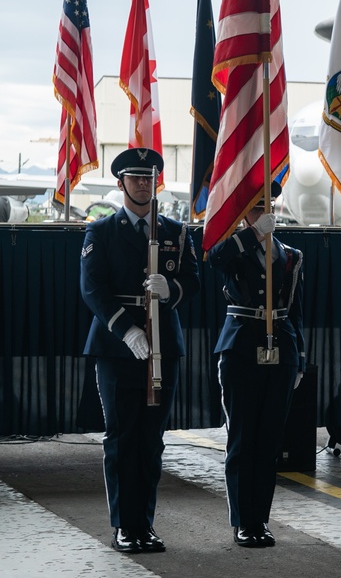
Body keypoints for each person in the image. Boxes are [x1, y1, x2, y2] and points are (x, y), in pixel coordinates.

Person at [79, 148, 200, 553]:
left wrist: (173, 290)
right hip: (118, 348)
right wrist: (127, 330)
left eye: (149, 178)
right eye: (135, 178)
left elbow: (193, 281)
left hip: (163, 346)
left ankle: (144, 524)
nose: (143, 184)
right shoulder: (101, 232)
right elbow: (92, 289)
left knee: (151, 440)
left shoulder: (175, 232)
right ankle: (123, 526)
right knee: (122, 437)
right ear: (121, 184)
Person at [208, 182, 305, 548]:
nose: (265, 214)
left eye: (269, 208)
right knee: (243, 437)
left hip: (281, 350)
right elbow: (215, 257)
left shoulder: (291, 255)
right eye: (256, 209)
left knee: (269, 441)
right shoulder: (235, 248)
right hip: (241, 348)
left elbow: (296, 311)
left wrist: (300, 359)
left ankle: (260, 519)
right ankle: (242, 521)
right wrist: (250, 236)